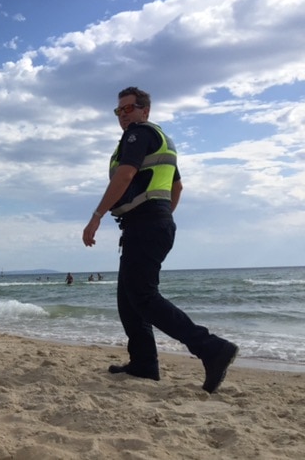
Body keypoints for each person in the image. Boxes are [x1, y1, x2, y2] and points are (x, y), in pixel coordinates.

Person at [82, 86, 238, 394]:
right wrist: (164, 214)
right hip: (152, 223)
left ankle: (211, 348)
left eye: (128, 109)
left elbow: (125, 175)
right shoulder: (161, 140)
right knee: (128, 300)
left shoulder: (138, 134)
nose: (123, 116)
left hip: (147, 224)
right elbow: (177, 187)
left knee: (143, 297)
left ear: (144, 110)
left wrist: (97, 215)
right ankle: (144, 363)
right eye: (119, 111)